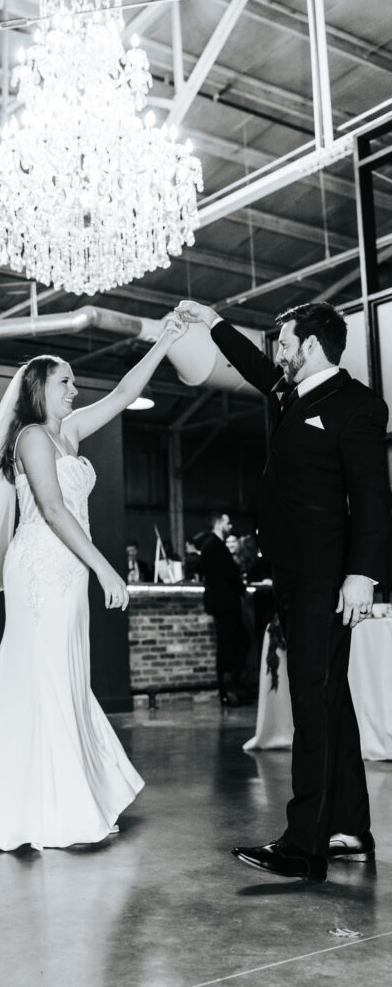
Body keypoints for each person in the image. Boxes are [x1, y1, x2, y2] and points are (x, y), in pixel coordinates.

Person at [0, 314, 187, 852]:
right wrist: (104, 566)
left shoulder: (67, 432)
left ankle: (58, 799)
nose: (75, 389)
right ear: (38, 389)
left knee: (63, 676)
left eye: (74, 381)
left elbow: (123, 393)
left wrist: (164, 338)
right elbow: (50, 508)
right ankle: (46, 808)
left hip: (68, 570)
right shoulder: (29, 436)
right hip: (41, 569)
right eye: (65, 381)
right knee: (42, 675)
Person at [177, 299, 389, 882]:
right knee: (330, 702)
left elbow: (373, 496)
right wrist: (211, 320)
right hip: (295, 578)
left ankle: (305, 845)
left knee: (314, 706)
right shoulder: (291, 392)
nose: (279, 352)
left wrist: (362, 574)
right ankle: (351, 830)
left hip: (328, 579)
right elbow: (250, 362)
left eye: (286, 342)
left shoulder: (358, 406)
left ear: (312, 345)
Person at [200, 513, 250, 707]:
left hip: (224, 604)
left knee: (235, 644)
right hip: (225, 605)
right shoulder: (214, 545)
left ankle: (230, 688)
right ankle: (229, 690)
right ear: (220, 523)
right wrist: (242, 588)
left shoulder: (210, 545)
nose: (231, 525)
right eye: (228, 522)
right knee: (231, 646)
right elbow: (230, 574)